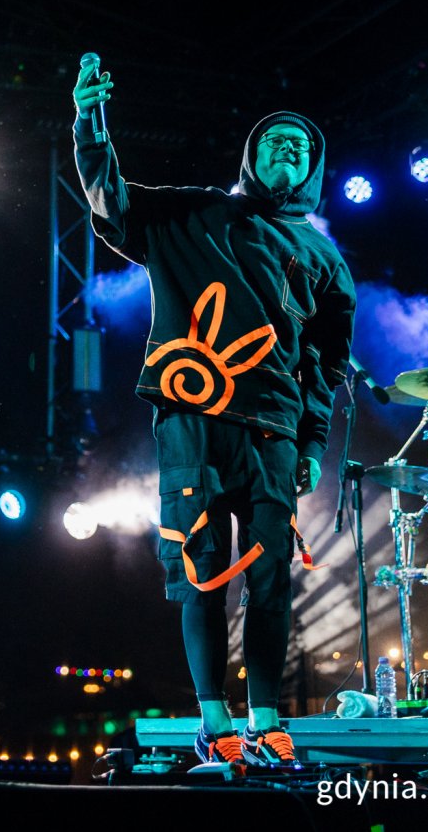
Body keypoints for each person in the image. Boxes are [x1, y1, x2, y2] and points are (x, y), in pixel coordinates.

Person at [72, 63, 355, 768]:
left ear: (313, 168)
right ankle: (212, 718)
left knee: (270, 578)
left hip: (274, 431)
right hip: (193, 419)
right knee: (200, 570)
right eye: (275, 141)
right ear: (251, 155)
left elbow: (325, 365)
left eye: (300, 146)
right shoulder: (193, 214)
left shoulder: (324, 259)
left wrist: (313, 442)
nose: (288, 150)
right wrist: (89, 126)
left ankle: (266, 720)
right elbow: (110, 200)